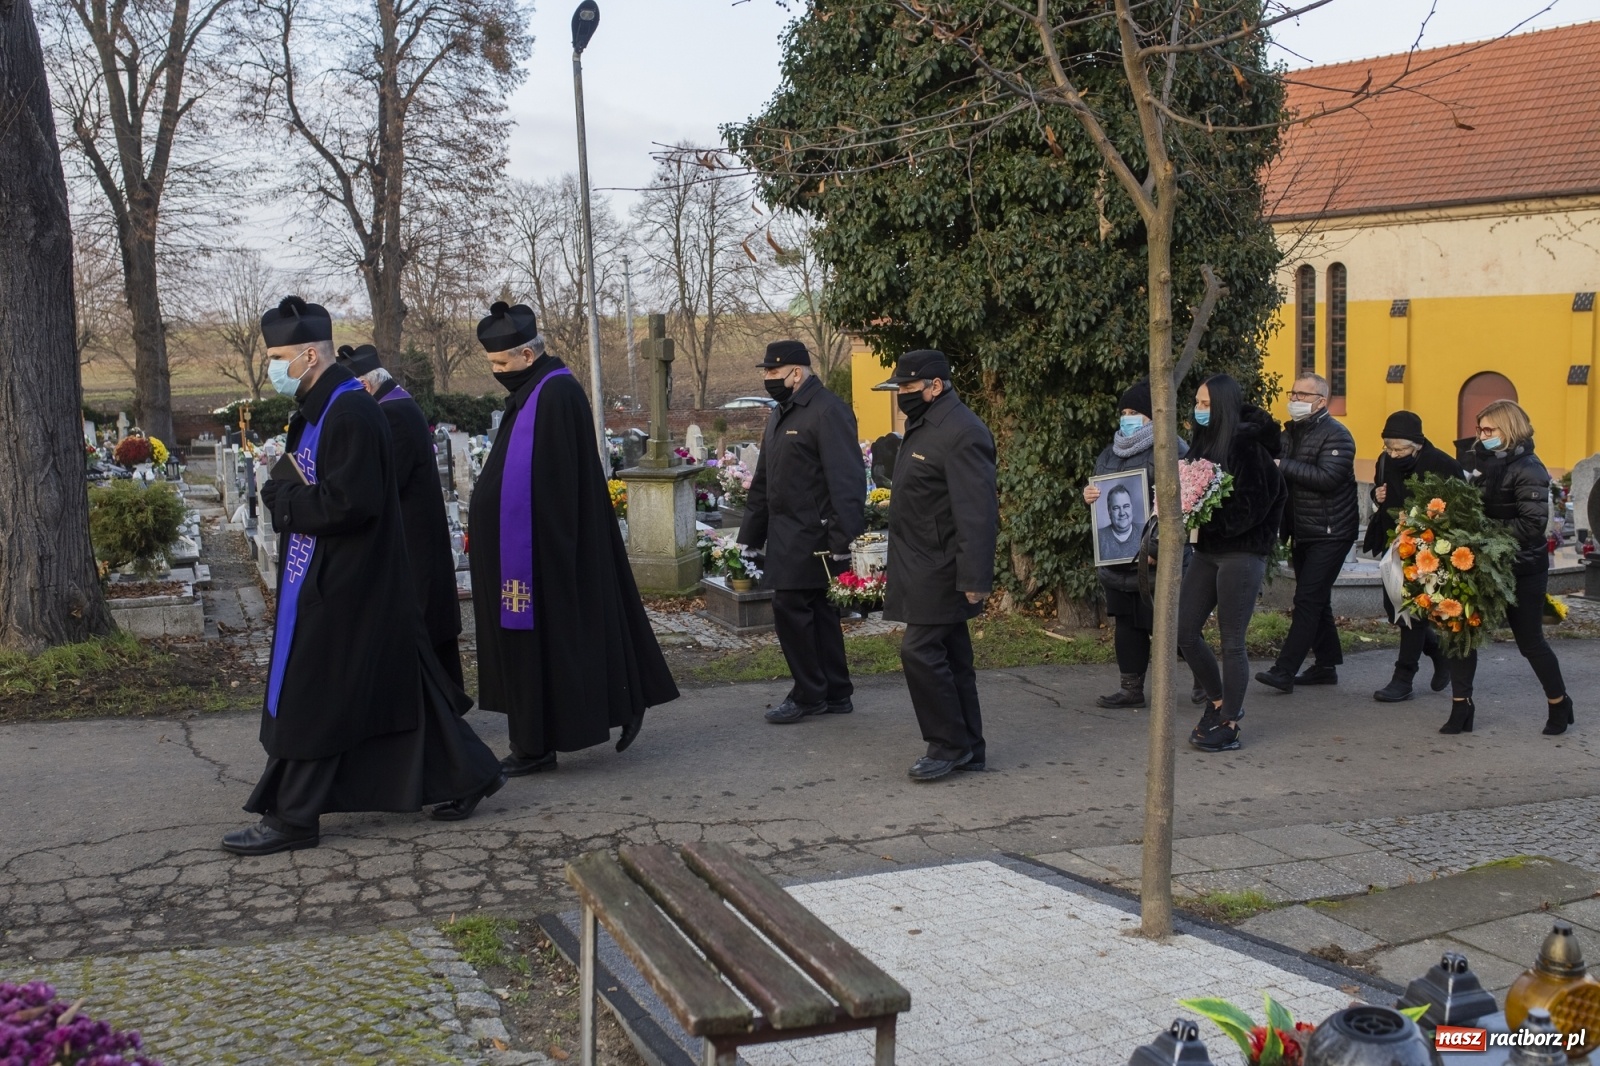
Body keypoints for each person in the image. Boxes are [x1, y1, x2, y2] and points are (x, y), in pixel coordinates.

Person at [223, 296, 503, 856]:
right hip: (341, 572)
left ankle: (293, 816)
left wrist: (283, 502)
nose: (272, 368)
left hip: (347, 579)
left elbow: (351, 503)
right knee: (399, 685)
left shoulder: (349, 411)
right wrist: (286, 492)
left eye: (277, 357)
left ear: (309, 355)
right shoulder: (320, 407)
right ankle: (468, 773)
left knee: (318, 692)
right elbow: (309, 482)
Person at [467, 302, 679, 775]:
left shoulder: (557, 393)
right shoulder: (530, 392)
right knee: (542, 648)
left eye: (501, 363)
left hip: (546, 550)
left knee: (568, 642)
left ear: (526, 354)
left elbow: (561, 482)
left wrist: (542, 544)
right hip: (525, 550)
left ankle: (542, 743)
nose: (497, 372)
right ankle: (535, 743)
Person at [878, 350, 998, 780]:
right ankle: (970, 747)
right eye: (900, 387)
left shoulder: (962, 431)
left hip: (942, 567)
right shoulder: (926, 423)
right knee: (952, 656)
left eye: (909, 387)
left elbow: (977, 513)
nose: (902, 395)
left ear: (935, 386)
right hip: (920, 561)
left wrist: (975, 577)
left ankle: (948, 745)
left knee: (920, 651)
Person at [738, 340, 866, 723]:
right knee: (820, 613)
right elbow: (763, 480)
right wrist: (750, 537)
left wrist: (844, 542)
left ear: (796, 373)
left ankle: (809, 694)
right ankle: (836, 691)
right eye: (765, 371)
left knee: (791, 609)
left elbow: (847, 481)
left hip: (815, 535)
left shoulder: (827, 411)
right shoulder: (781, 413)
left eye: (773, 371)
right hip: (787, 533)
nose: (767, 378)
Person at [1440, 400, 1573, 735]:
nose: (1482, 436)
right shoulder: (1483, 462)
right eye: (1480, 429)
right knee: (1461, 631)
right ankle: (1461, 706)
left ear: (1509, 429)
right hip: (1480, 562)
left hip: (1521, 566)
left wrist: (1481, 534)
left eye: (1489, 430)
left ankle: (1559, 702)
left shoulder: (1529, 468)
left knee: (1530, 642)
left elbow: (1532, 524)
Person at [338, 343, 464, 687]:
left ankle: (431, 705)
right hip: (413, 539)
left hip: (413, 544)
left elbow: (385, 481)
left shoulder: (393, 413)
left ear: (364, 386)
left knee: (418, 631)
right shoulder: (396, 404)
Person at [1178, 373, 1286, 753]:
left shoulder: (1247, 446)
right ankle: (1217, 699)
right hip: (1208, 551)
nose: (1199, 409)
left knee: (1232, 641)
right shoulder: (1202, 442)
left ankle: (1229, 723)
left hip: (1242, 553)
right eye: (1197, 402)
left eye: (1206, 404)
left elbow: (1258, 502)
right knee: (1184, 631)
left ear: (1223, 406)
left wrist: (1207, 518)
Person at [1082, 379, 1187, 709]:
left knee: (1174, 627)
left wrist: (1155, 549)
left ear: (1153, 415)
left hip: (1155, 561)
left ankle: (1206, 684)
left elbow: (1183, 503)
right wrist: (1090, 497)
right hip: (1117, 561)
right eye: (1124, 412)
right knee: (1127, 624)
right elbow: (1100, 496)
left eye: (1134, 412)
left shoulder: (1171, 449)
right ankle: (1130, 689)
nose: (1126, 418)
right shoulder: (1108, 454)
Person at [1255, 373, 1358, 694]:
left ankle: (1284, 670)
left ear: (1321, 402)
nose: (1295, 400)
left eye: (1303, 395)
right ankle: (1326, 666)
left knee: (1307, 600)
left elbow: (1327, 478)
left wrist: (1281, 465)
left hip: (1332, 531)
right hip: (1303, 531)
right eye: (1293, 393)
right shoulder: (1289, 434)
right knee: (1317, 599)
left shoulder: (1338, 435)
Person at [1362, 411, 1462, 702]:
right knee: (1394, 608)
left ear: (1417, 444)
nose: (1393, 455)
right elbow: (1381, 493)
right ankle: (1438, 652)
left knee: (1413, 613)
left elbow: (1460, 508)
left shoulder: (1443, 464)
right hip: (1394, 546)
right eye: (1388, 448)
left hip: (1427, 549)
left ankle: (1403, 678)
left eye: (1400, 449)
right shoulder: (1385, 461)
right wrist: (1377, 496)